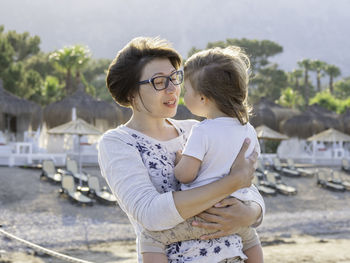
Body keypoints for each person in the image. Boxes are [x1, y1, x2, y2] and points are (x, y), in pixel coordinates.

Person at [98, 37, 265, 263]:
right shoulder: (119, 142)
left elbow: (249, 188)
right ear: (131, 93)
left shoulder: (196, 129)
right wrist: (232, 183)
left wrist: (251, 213)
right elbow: (150, 214)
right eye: (159, 81)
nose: (172, 89)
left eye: (175, 78)